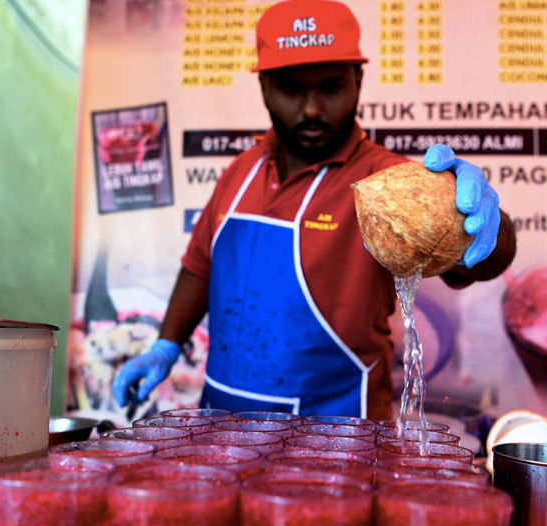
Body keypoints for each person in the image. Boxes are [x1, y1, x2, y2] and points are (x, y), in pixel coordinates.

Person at [112, 0, 516, 421]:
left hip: (340, 440)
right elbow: (199, 266)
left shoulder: (386, 183)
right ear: (264, 85)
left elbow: (479, 259)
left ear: (358, 80)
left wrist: (489, 228)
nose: (311, 109)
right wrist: (166, 344)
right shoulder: (241, 171)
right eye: (290, 88)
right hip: (222, 432)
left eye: (331, 87)